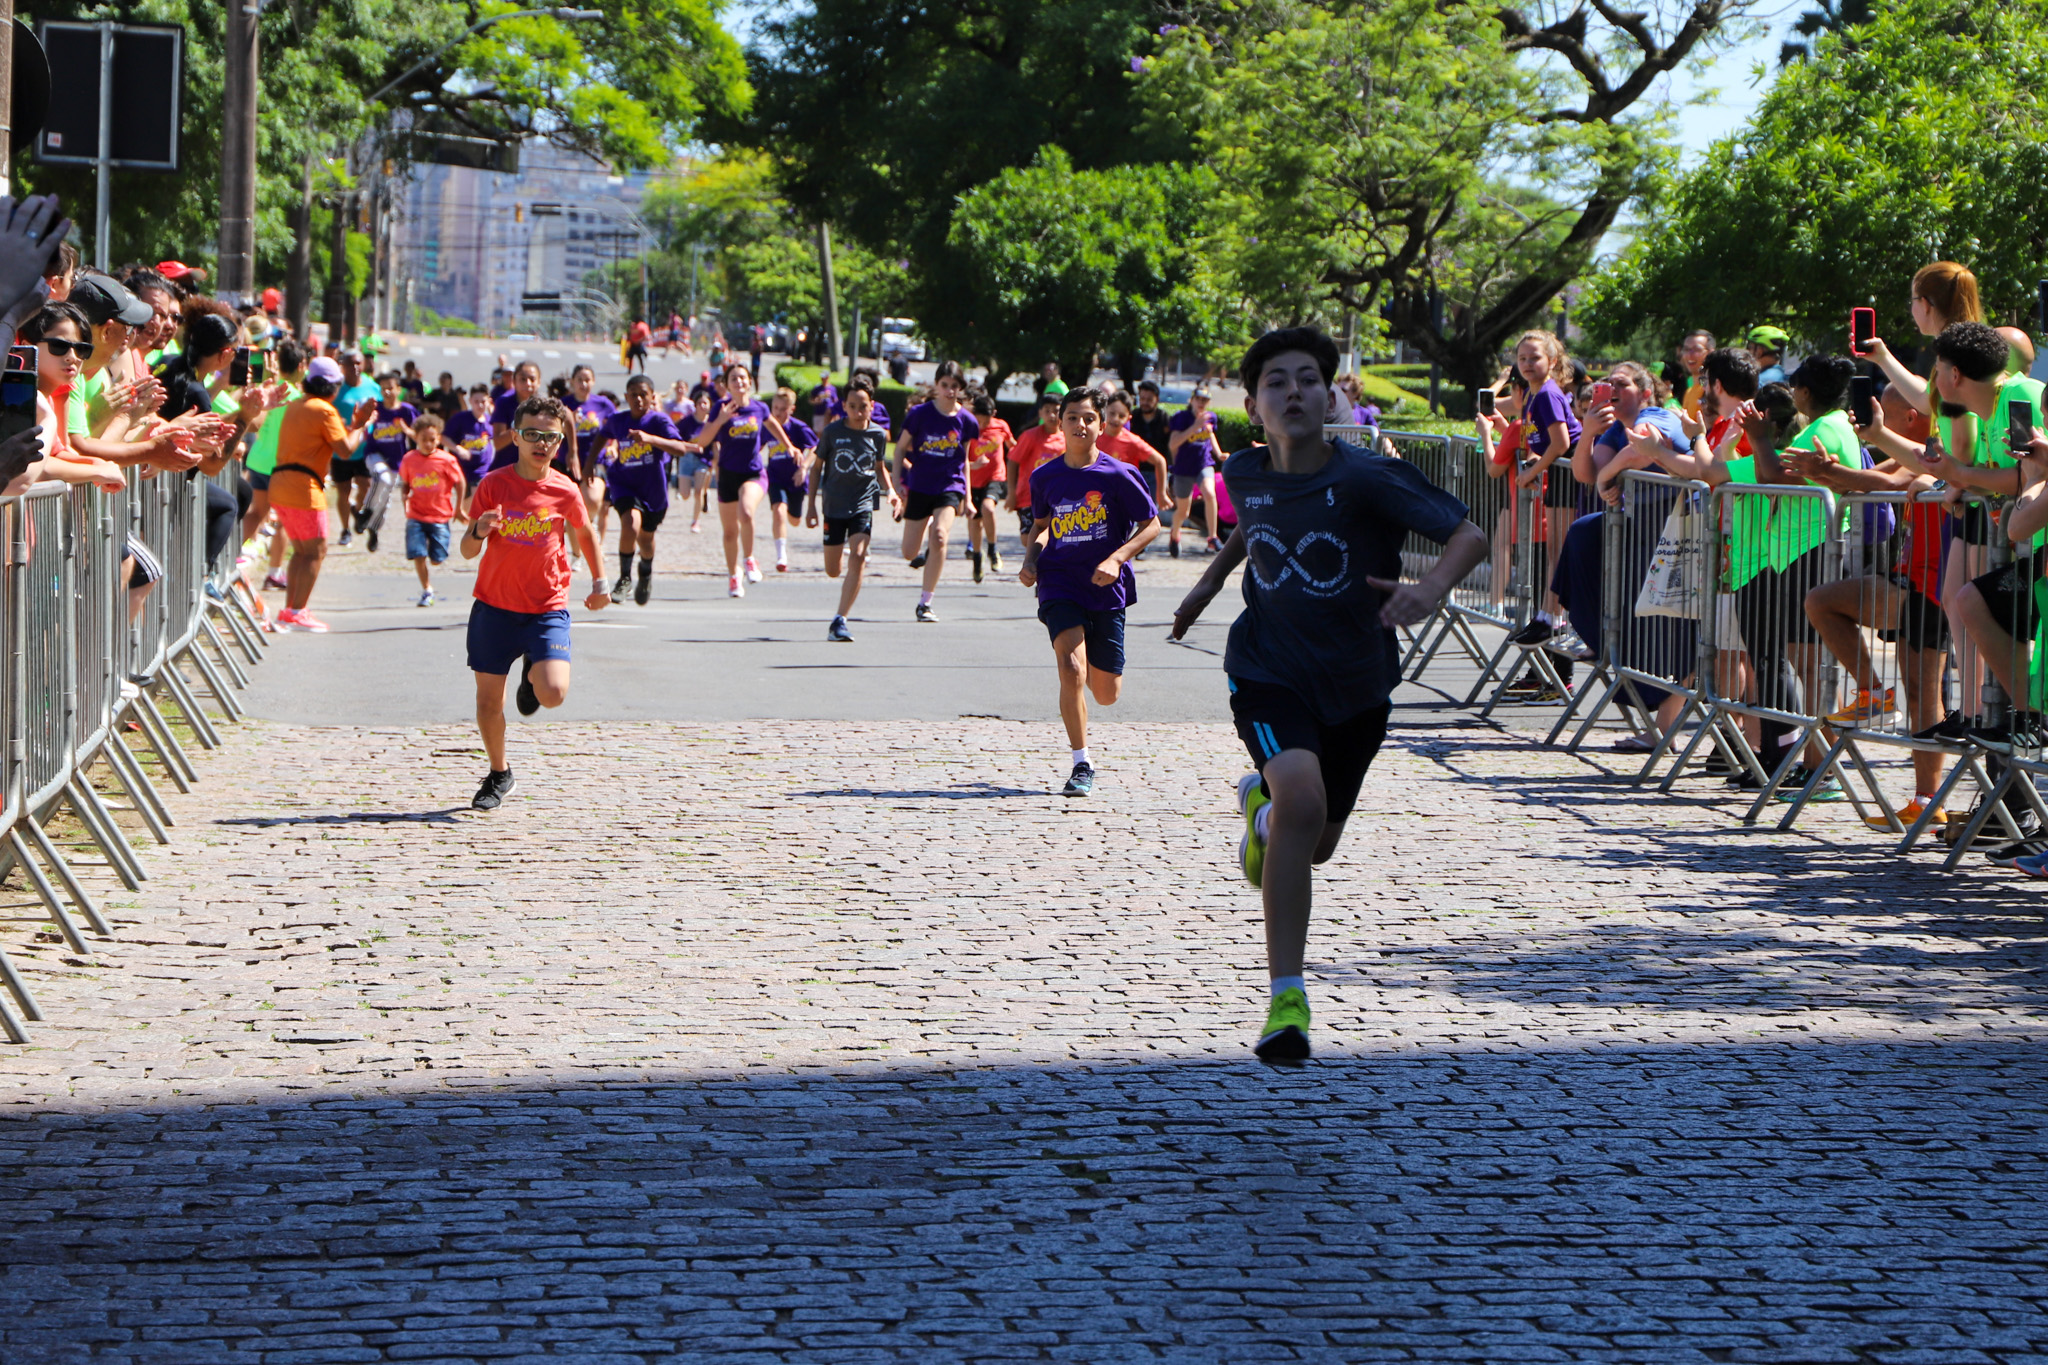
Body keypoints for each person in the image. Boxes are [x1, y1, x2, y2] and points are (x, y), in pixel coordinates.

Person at [1171, 326, 1487, 1063]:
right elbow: (1253, 525)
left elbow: (1471, 534)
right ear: (1253, 404)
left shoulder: (1367, 475)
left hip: (1359, 683)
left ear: (1332, 393)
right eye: (1276, 381)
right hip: (1267, 670)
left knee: (1315, 841)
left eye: (1309, 378)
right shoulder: (1245, 471)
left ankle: (1263, 811)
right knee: (1303, 803)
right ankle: (1288, 998)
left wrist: (1431, 588)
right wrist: (1208, 584)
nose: (1293, 391)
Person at [462, 395, 612, 810]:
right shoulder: (494, 484)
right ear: (515, 436)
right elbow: (467, 551)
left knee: (553, 693)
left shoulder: (564, 490)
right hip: (494, 607)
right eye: (531, 435)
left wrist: (600, 582)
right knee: (488, 702)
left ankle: (534, 669)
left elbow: (585, 534)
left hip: (546, 606)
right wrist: (478, 529)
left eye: (549, 437)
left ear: (559, 441)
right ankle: (499, 773)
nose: (540, 443)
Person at [1017, 385, 1161, 797]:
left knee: (1106, 693)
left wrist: (1118, 558)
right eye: (1072, 417)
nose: (1080, 425)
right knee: (1071, 668)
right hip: (1060, 580)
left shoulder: (1118, 474)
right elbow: (1041, 529)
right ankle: (1081, 763)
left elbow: (1151, 524)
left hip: (1105, 587)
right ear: (1059, 422)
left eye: (1088, 418)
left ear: (1100, 425)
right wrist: (1030, 562)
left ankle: (1096, 704)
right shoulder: (1045, 476)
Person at [268, 356, 376, 631]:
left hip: (280, 483)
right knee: (316, 551)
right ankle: (298, 611)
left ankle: (290, 610)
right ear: (334, 387)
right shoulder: (324, 410)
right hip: (304, 488)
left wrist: (351, 427)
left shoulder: (296, 405)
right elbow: (345, 450)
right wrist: (361, 426)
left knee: (301, 551)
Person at [1503, 329, 1583, 687]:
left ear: (1551, 361)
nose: (1528, 364)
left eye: (1535, 358)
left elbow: (1563, 441)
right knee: (1555, 551)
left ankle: (1551, 617)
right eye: (1522, 359)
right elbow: (1546, 442)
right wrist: (1538, 461)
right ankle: (1548, 615)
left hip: (1570, 476)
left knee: (1560, 553)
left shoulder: (1548, 393)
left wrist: (1534, 470)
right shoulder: (1534, 395)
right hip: (1559, 472)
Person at [807, 377, 901, 641]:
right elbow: (816, 469)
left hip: (863, 502)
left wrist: (891, 492)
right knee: (833, 570)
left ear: (872, 406)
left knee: (858, 556)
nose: (858, 412)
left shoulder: (878, 435)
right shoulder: (832, 432)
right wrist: (812, 506)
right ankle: (839, 610)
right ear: (844, 407)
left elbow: (880, 467)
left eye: (863, 406)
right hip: (834, 505)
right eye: (852, 406)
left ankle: (840, 619)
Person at [693, 362, 794, 597]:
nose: (739, 382)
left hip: (753, 471)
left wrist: (789, 446)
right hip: (727, 474)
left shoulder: (759, 408)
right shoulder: (720, 407)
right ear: (727, 385)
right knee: (729, 532)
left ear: (749, 382)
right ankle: (733, 576)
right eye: (733, 379)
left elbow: (773, 425)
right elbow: (702, 442)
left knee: (746, 512)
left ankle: (749, 560)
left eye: (743, 378)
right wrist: (720, 420)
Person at [894, 359, 980, 621]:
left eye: (954, 386)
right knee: (909, 551)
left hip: (949, 485)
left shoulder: (967, 421)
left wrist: (968, 496)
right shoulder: (920, 414)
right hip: (920, 484)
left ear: (960, 388)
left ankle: (925, 602)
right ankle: (925, 543)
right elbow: (899, 449)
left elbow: (964, 458)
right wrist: (898, 482)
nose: (949, 391)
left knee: (940, 535)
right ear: (936, 385)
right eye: (945, 385)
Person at [594, 373, 691, 605]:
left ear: (652, 397)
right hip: (624, 484)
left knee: (646, 540)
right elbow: (602, 436)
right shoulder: (618, 421)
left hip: (653, 490)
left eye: (643, 395)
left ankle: (645, 573)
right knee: (630, 524)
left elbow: (680, 449)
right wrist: (589, 466)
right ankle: (624, 578)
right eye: (633, 395)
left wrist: (650, 439)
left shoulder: (658, 422)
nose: (638, 399)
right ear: (626, 396)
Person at [399, 413, 466, 606]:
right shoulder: (409, 459)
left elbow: (460, 482)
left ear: (438, 438)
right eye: (423, 440)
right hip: (416, 515)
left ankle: (434, 552)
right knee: (418, 554)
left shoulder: (446, 460)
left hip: (439, 516)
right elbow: (405, 483)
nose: (428, 444)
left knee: (437, 559)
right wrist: (404, 495)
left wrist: (459, 508)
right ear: (415, 438)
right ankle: (427, 589)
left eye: (432, 439)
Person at [355, 370, 418, 553]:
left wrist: (407, 430)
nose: (387, 392)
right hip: (374, 454)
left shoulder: (406, 410)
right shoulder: (376, 408)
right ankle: (365, 512)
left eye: (390, 388)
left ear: (398, 389)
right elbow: (363, 424)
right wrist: (365, 423)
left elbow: (420, 434)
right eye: (383, 389)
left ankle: (374, 529)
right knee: (382, 478)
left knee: (386, 499)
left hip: (396, 460)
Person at [328, 350, 381, 545]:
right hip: (341, 448)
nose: (355, 368)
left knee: (366, 486)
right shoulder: (336, 389)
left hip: (364, 448)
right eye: (351, 364)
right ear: (343, 366)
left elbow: (380, 412)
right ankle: (344, 529)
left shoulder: (372, 386)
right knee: (343, 490)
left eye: (358, 363)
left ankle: (358, 511)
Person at [1166, 384, 1224, 556]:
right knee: (1184, 511)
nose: (1201, 403)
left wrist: (1219, 453)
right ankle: (1175, 533)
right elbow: (1173, 444)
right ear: (1191, 400)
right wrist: (1194, 426)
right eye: (1198, 399)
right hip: (1183, 469)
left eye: (1205, 400)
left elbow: (1210, 434)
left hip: (1203, 464)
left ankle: (1212, 537)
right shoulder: (1181, 418)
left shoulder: (1211, 417)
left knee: (1210, 493)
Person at [764, 386, 817, 572]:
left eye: (782, 409)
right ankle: (781, 556)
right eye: (775, 408)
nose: (777, 413)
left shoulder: (798, 428)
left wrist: (803, 467)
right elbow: (756, 446)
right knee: (778, 511)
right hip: (775, 477)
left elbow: (815, 448)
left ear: (791, 409)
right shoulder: (767, 427)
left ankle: (788, 511)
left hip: (795, 479)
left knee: (794, 520)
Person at [964, 391, 1013, 581]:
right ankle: (977, 557)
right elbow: (959, 460)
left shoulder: (1001, 427)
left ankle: (993, 549)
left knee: (988, 507)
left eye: (986, 421)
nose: (982, 425)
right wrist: (973, 465)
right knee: (975, 522)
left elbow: (1013, 447)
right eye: (979, 421)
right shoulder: (968, 428)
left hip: (995, 476)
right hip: (973, 480)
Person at [1098, 391, 1171, 515]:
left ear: (1128, 418)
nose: (1116, 419)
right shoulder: (1093, 435)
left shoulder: (1132, 441)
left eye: (1121, 416)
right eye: (1112, 413)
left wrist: (1161, 493)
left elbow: (1160, 461)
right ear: (1104, 411)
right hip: (1095, 497)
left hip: (1123, 499)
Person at [1005, 393, 1066, 537]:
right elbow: (1013, 461)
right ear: (1040, 413)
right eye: (1047, 411)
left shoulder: (1067, 437)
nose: (1052, 415)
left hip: (1057, 497)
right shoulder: (1029, 436)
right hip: (1029, 496)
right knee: (1027, 538)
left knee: (1053, 536)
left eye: (1056, 411)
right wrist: (1011, 493)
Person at [566, 364, 617, 530]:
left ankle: (588, 528)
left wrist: (614, 446)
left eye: (587, 380)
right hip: (567, 461)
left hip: (595, 459)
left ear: (593, 381)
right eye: (579, 380)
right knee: (569, 507)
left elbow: (616, 428)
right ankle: (576, 552)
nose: (583, 384)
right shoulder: (564, 404)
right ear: (572, 381)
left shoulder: (603, 404)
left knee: (593, 500)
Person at [487, 361, 545, 470]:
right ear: (514, 381)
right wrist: (520, 426)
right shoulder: (504, 403)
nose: (528, 383)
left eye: (532, 379)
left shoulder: (544, 406)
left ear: (539, 382)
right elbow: (498, 443)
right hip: (506, 468)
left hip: (534, 470)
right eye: (523, 379)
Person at [444, 385, 494, 507]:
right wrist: (458, 448)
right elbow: (443, 438)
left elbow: (494, 439)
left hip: (482, 468)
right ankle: (472, 523)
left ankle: (477, 523)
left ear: (488, 402)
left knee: (478, 498)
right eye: (476, 402)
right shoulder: (460, 419)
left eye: (483, 401)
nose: (480, 405)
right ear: (470, 401)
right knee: (468, 505)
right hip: (462, 468)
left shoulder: (490, 421)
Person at [673, 388, 714, 532]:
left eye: (705, 403)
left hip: (703, 460)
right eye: (700, 403)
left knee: (698, 492)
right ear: (695, 405)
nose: (703, 406)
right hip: (687, 458)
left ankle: (695, 522)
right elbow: (676, 439)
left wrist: (715, 460)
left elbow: (716, 442)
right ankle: (692, 491)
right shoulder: (686, 422)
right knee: (684, 495)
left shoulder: (712, 424)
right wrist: (690, 447)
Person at [1129, 380, 1173, 454]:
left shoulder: (1164, 419)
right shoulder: (1132, 417)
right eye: (1142, 399)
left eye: (1149, 400)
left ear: (1157, 400)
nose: (1145, 403)